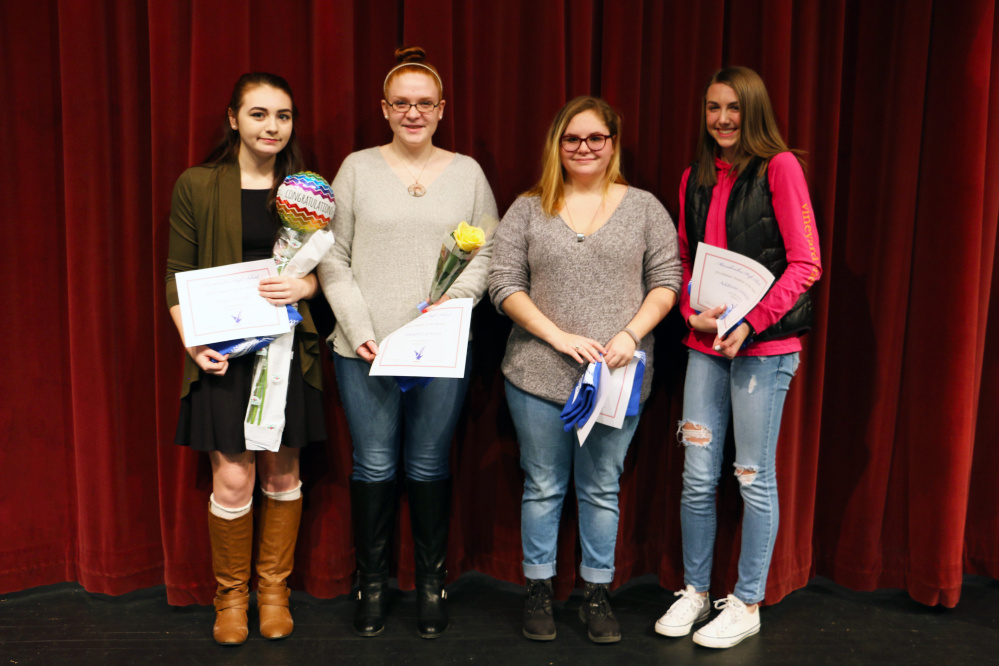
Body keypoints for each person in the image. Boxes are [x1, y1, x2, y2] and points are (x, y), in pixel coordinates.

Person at [317, 46, 497, 639]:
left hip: (440, 346)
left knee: (425, 462)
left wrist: (455, 305)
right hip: (363, 347)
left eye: (425, 103)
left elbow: (488, 256)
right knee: (373, 462)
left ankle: (429, 583)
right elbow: (332, 258)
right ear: (385, 110)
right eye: (402, 103)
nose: (413, 113)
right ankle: (371, 585)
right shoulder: (356, 169)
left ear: (441, 109)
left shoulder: (468, 172)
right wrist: (360, 329)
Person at [488, 96, 682, 644]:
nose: (584, 148)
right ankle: (539, 590)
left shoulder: (644, 207)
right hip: (536, 373)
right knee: (544, 485)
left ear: (613, 144)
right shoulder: (528, 208)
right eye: (572, 139)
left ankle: (596, 592)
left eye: (596, 138)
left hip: (618, 378)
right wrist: (558, 337)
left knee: (601, 487)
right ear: (557, 145)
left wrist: (630, 335)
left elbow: (668, 279)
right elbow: (502, 282)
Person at [654, 66, 822, 649]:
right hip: (705, 346)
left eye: (733, 108)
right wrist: (691, 315)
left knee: (752, 477)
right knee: (696, 476)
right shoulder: (693, 178)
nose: (722, 119)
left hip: (764, 349)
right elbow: (680, 259)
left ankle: (747, 602)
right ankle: (695, 592)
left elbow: (806, 264)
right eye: (712, 108)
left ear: (753, 112)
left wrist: (750, 322)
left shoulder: (781, 168)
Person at [165, 72, 325, 645]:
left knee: (283, 472)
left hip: (288, 352)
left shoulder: (307, 189)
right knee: (233, 479)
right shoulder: (198, 185)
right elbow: (175, 277)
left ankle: (274, 592)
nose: (272, 127)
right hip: (223, 356)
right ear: (233, 118)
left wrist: (304, 290)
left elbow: (329, 274)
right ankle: (231, 598)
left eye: (282, 116)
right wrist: (195, 343)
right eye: (258, 114)